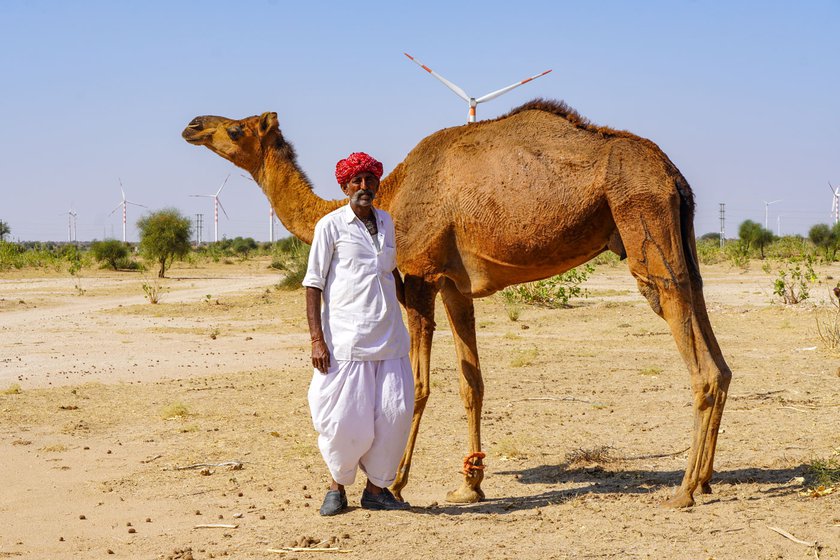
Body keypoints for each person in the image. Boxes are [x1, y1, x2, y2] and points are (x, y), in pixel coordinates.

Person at [302, 152, 414, 516]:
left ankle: (377, 489)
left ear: (378, 184)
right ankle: (336, 487)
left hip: (391, 337)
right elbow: (313, 284)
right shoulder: (330, 226)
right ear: (344, 186)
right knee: (345, 419)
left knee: (395, 415)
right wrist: (317, 339)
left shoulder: (387, 221)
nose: (364, 187)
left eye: (369, 180)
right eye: (357, 181)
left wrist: (411, 299)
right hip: (347, 340)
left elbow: (390, 271)